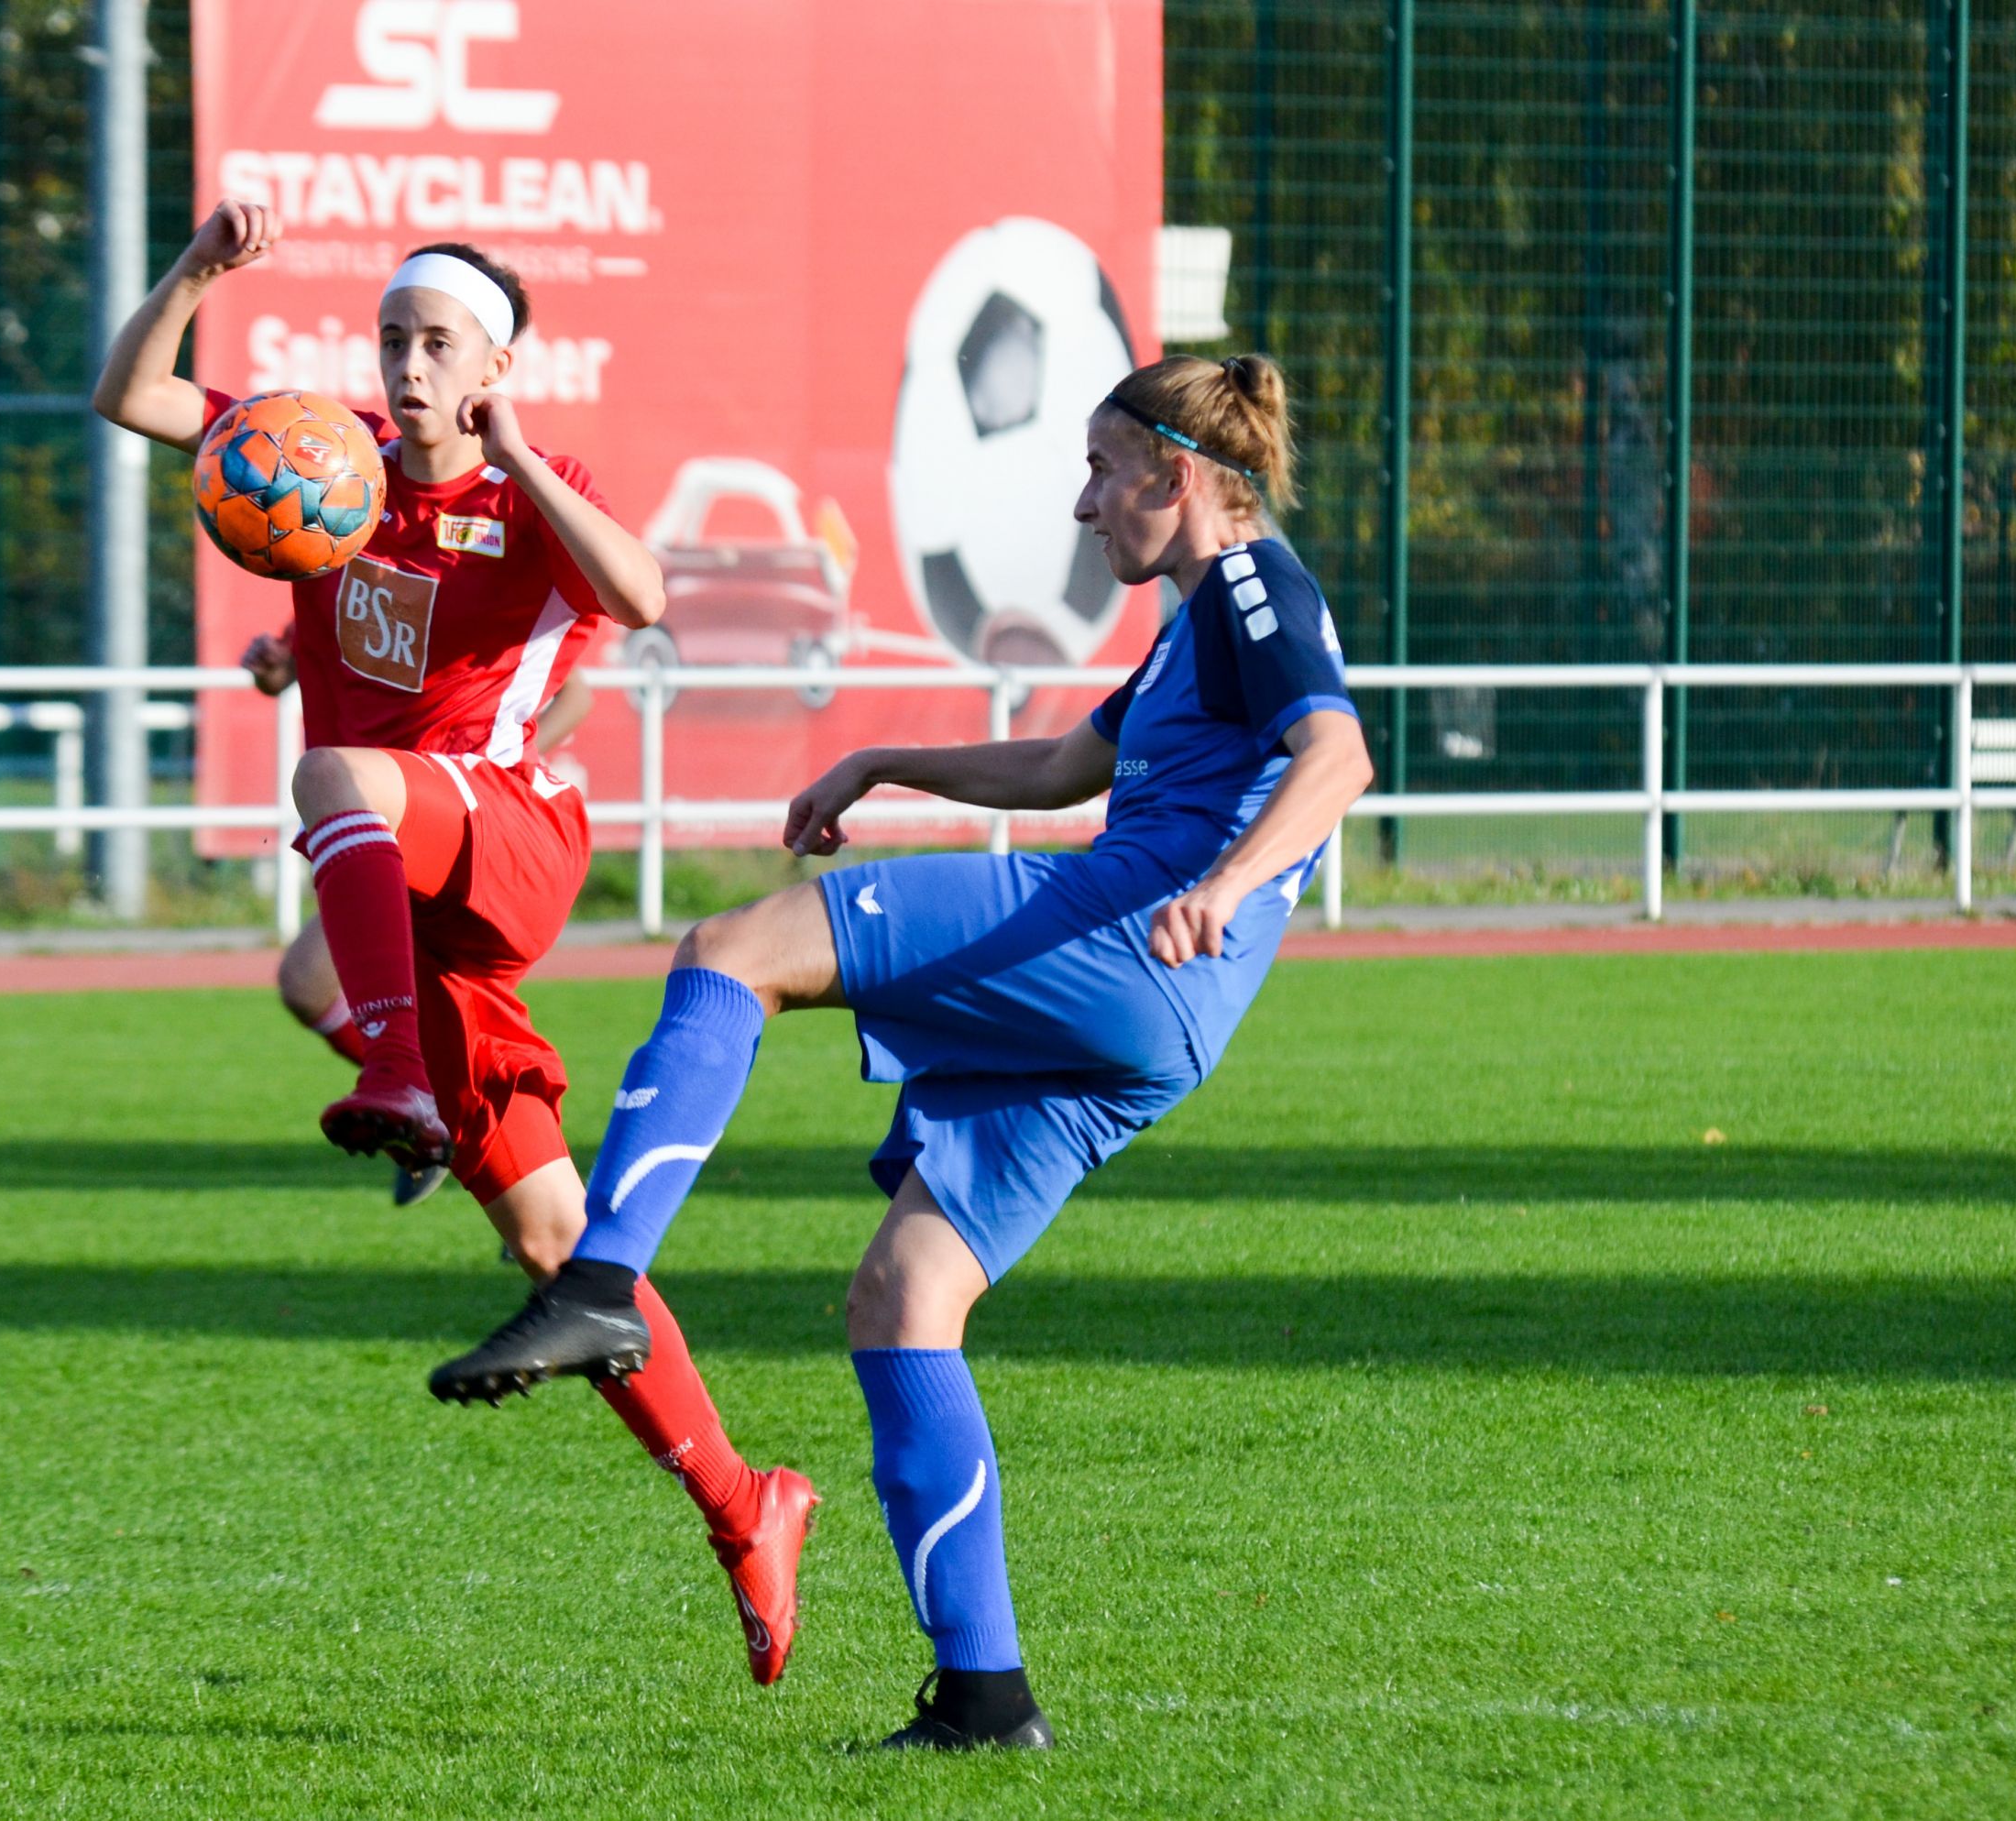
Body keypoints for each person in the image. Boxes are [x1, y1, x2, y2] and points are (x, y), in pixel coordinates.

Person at [429, 353, 1374, 1748]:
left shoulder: (1247, 585)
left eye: (1106, 472)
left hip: (1125, 941)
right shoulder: (1200, 619)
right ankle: (985, 1698)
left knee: (730, 949)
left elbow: (1340, 755)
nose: (1083, 503)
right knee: (904, 1293)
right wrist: (884, 761)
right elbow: (1066, 768)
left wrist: (1224, 890)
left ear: (1180, 477)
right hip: (1163, 1019)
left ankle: (603, 1277)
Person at [93, 200, 817, 1684]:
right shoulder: (327, 462)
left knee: (334, 791)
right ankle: (744, 1498)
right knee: (560, 1244)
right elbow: (132, 399)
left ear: (490, 362)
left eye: (439, 344)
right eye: (394, 339)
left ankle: (405, 1087)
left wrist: (526, 453)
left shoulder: (533, 494)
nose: (407, 366)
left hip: (511, 836)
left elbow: (646, 596)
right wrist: (194, 276)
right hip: (411, 893)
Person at [258, 670, 596, 1210]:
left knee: (473, 1043)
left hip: (457, 820)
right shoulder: (334, 585)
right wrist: (282, 659)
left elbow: (575, 692)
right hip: (376, 819)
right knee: (305, 983)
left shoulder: (476, 586)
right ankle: (427, 1102)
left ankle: (507, 1160)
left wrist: (495, 766)